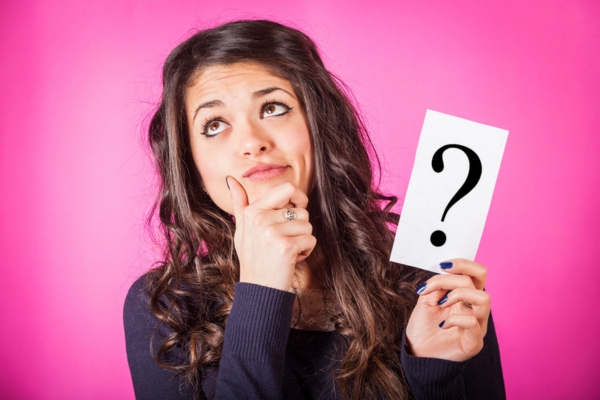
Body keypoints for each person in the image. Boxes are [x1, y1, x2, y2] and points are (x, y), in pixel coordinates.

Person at [123, 19, 505, 400]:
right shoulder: (165, 310)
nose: (252, 143)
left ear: (319, 125)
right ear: (192, 166)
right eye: (214, 124)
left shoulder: (425, 284)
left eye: (273, 107)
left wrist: (436, 373)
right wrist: (261, 285)